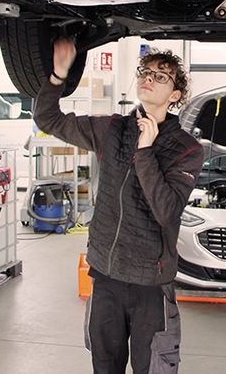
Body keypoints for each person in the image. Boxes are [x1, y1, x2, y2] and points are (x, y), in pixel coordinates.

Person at [33, 38, 204, 374]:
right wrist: (58, 76)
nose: (149, 78)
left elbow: (167, 210)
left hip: (149, 285)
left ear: (175, 96)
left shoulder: (187, 149)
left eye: (161, 76)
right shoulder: (111, 128)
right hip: (105, 276)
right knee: (104, 367)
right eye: (146, 72)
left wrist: (145, 151)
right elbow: (47, 119)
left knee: (151, 368)